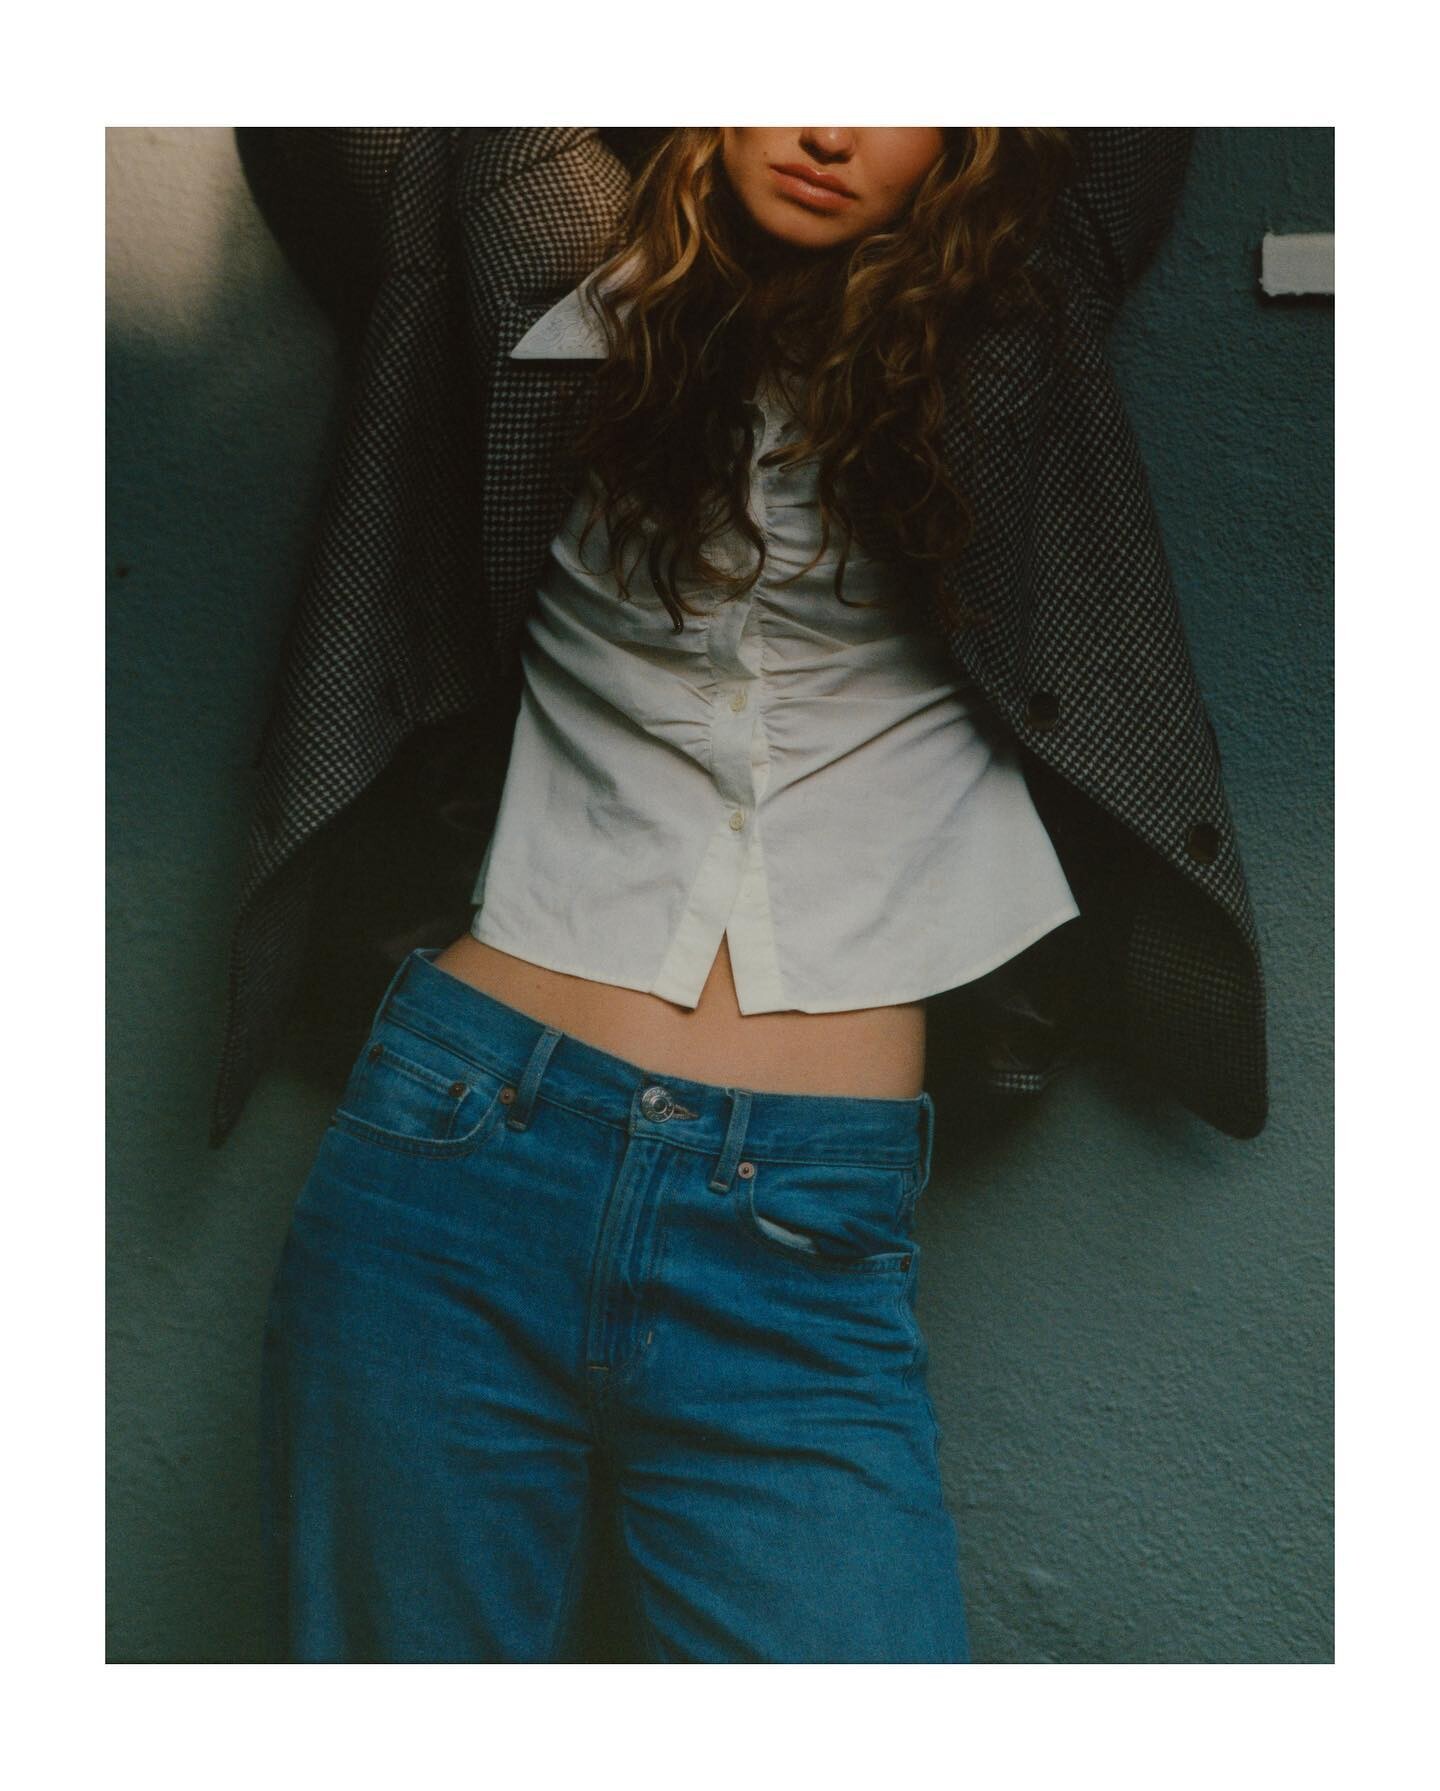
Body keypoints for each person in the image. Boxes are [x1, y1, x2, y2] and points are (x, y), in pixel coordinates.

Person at [234, 127, 1267, 1664]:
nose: (831, 125)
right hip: (454, 1166)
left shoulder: (1026, 292)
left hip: (801, 1236)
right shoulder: (524, 245)